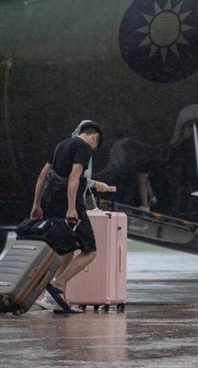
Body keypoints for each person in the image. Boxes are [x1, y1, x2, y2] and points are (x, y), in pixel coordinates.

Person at [29, 120, 114, 313]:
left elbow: (43, 175)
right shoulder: (84, 147)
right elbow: (75, 177)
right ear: (94, 137)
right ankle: (59, 284)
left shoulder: (62, 145)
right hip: (69, 204)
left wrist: (36, 205)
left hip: (50, 200)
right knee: (90, 250)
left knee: (65, 249)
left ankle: (59, 298)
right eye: (95, 146)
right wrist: (71, 208)